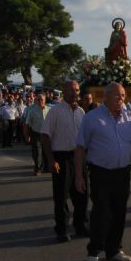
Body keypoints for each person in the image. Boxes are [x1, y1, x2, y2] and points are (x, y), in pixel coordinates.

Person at [74, 82, 131, 261]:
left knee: (119, 211)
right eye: (117, 95)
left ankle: (114, 249)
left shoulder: (130, 117)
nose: (121, 99)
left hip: (122, 172)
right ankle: (94, 251)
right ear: (105, 97)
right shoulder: (92, 118)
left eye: (123, 95)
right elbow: (80, 148)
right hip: (100, 173)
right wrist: (78, 176)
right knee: (101, 212)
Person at [40, 81, 88, 243]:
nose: (75, 93)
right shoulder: (55, 111)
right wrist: (51, 160)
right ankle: (61, 229)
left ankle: (80, 225)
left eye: (77, 90)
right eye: (71, 90)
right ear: (64, 92)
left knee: (81, 193)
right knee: (61, 196)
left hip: (79, 158)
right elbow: (45, 135)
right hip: (62, 158)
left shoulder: (81, 112)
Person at [24, 94, 49, 175]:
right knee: (37, 152)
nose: (40, 101)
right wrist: (27, 136)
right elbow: (27, 124)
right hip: (36, 134)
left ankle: (46, 167)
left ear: (45, 100)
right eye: (38, 100)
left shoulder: (49, 110)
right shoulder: (32, 111)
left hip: (46, 134)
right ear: (36, 101)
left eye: (42, 100)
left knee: (46, 151)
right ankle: (38, 169)